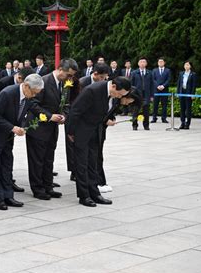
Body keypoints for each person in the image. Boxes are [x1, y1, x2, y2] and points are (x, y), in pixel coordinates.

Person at [0, 74, 44, 210]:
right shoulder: (7, 93)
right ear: (27, 86)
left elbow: (21, 115)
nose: (34, 96)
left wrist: (21, 127)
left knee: (7, 164)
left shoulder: (28, 97)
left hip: (8, 135)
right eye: (33, 93)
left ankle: (8, 196)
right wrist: (12, 127)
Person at [67, 77, 131, 207]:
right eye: (119, 94)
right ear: (113, 86)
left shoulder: (110, 93)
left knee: (93, 163)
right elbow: (75, 111)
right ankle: (84, 196)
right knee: (82, 164)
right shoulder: (92, 90)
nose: (119, 97)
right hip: (82, 131)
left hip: (95, 131)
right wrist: (71, 132)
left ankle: (95, 193)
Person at [26, 58, 78, 200]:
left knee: (49, 159)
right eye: (69, 75)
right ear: (60, 69)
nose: (70, 78)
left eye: (72, 76)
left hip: (52, 129)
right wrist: (50, 116)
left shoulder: (64, 84)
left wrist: (64, 116)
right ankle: (38, 188)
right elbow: (33, 104)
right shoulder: (43, 81)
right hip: (38, 127)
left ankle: (48, 186)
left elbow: (66, 104)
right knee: (37, 160)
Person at [97, 88, 141, 193]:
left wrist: (111, 119)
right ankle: (98, 182)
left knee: (98, 156)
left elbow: (109, 113)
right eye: (129, 101)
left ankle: (100, 181)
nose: (127, 104)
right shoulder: (111, 97)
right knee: (97, 156)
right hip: (94, 129)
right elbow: (97, 112)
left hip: (101, 130)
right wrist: (105, 120)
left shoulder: (116, 102)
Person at [131, 57, 154, 130]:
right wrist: (131, 95)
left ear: (146, 64)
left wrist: (152, 95)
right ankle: (135, 125)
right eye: (141, 62)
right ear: (138, 63)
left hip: (146, 94)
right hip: (137, 95)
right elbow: (131, 85)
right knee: (135, 111)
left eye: (144, 62)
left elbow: (152, 85)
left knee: (146, 111)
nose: (142, 63)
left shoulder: (149, 73)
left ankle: (146, 125)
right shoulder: (134, 73)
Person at [177, 61, 197, 129]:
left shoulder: (193, 74)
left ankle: (187, 123)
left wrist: (193, 94)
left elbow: (194, 85)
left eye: (188, 65)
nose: (186, 66)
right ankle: (182, 123)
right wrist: (178, 92)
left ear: (190, 66)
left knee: (188, 109)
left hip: (188, 93)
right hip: (182, 92)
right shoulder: (181, 73)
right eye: (185, 65)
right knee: (182, 109)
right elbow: (179, 84)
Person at [152, 57, 171, 123]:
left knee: (164, 105)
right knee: (155, 105)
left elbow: (168, 80)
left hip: (164, 90)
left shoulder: (167, 70)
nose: (160, 63)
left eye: (161, 62)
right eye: (159, 62)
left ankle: (164, 118)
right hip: (156, 90)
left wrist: (163, 86)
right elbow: (153, 79)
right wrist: (157, 86)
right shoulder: (154, 70)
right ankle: (154, 118)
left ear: (164, 63)